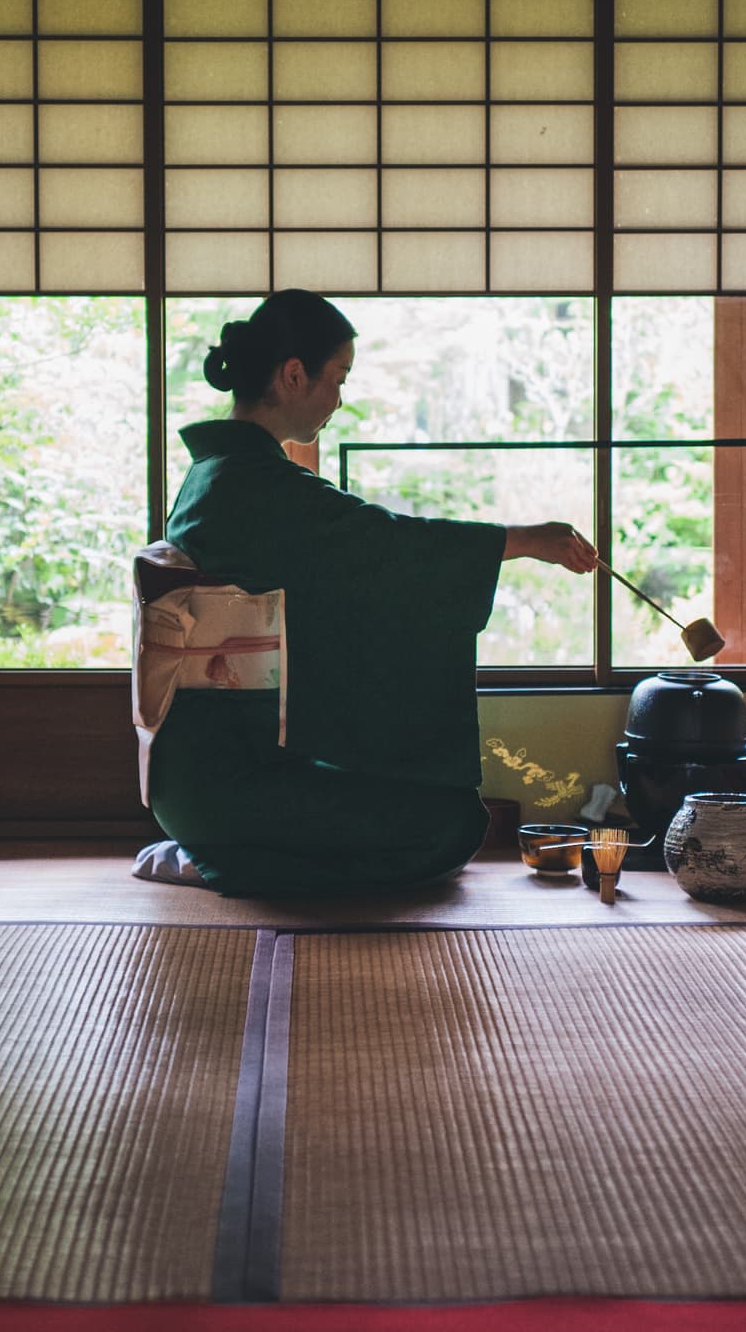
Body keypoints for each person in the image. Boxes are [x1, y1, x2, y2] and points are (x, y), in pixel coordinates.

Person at [137, 290, 596, 894]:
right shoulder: (254, 487)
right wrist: (522, 540)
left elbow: (360, 563)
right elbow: (385, 548)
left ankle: (216, 848)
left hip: (204, 774)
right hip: (228, 783)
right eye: (337, 378)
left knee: (437, 816)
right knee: (449, 826)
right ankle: (222, 860)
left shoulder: (219, 475)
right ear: (294, 376)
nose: (339, 398)